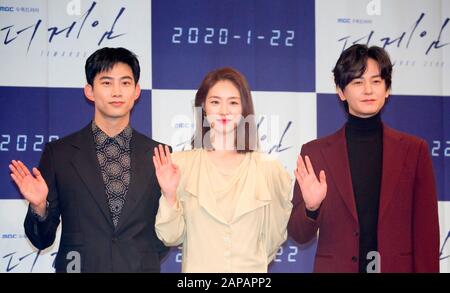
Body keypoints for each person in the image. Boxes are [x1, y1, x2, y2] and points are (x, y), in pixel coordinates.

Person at [9, 47, 168, 272]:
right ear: (89, 91)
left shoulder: (159, 154)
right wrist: (39, 206)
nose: (116, 92)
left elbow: (166, 234)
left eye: (125, 83)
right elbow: (42, 240)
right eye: (106, 83)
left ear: (137, 91)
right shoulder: (59, 154)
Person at [287, 44, 440, 273]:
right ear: (340, 91)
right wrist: (311, 207)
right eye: (357, 82)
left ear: (387, 89)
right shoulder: (315, 153)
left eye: (376, 81)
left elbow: (426, 233)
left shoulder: (414, 151)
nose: (368, 90)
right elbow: (299, 234)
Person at [152, 67, 293, 272]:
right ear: (203, 107)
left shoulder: (269, 170)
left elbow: (272, 241)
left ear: (244, 108)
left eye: (233, 102)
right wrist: (170, 195)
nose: (224, 111)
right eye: (215, 102)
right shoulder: (180, 165)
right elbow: (170, 237)